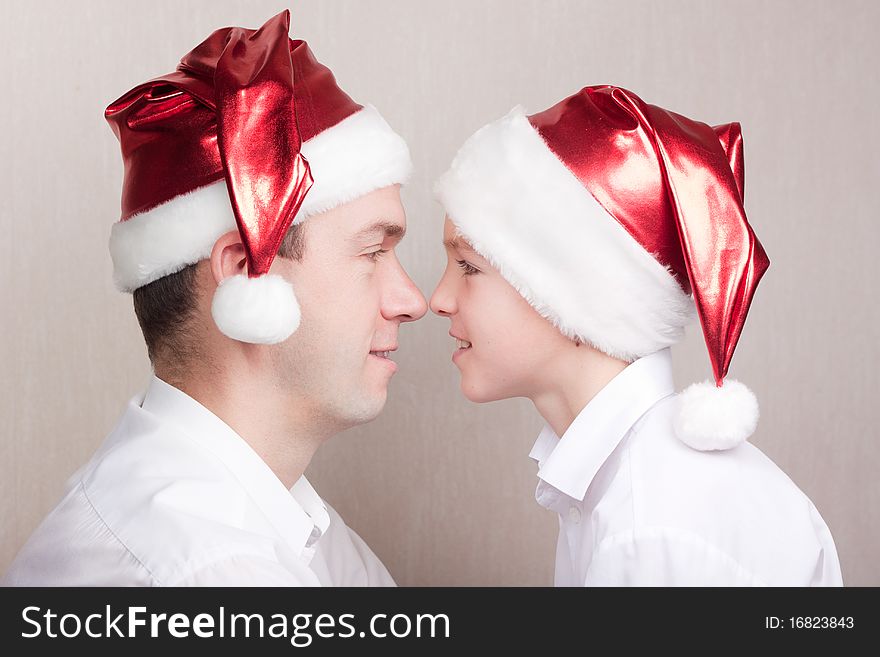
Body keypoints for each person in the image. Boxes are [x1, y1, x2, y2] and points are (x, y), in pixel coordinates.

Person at [2, 10, 426, 586]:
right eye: (373, 252)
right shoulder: (208, 574)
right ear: (245, 272)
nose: (412, 300)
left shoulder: (296, 527)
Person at [430, 85, 843, 586]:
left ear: (576, 290)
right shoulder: (633, 488)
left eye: (468, 266)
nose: (439, 299)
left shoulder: (652, 530)